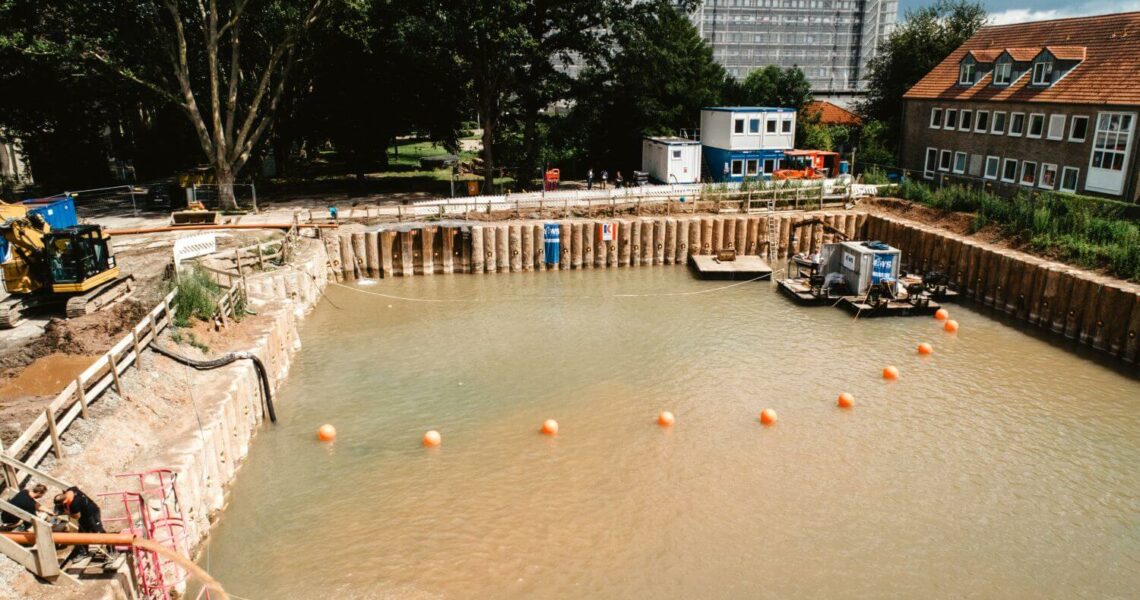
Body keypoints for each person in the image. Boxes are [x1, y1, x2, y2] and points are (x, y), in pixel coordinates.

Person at [54, 486, 108, 563]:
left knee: (98, 531)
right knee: (82, 534)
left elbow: (76, 516)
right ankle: (84, 552)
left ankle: (111, 549)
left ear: (64, 501)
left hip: (92, 514)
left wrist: (67, 513)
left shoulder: (73, 504)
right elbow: (76, 487)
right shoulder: (71, 490)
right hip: (84, 515)